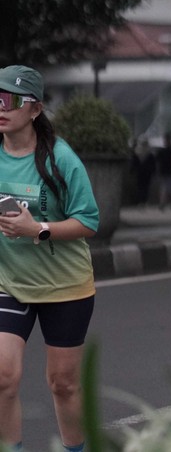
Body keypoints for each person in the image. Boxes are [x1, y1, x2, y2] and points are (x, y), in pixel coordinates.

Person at [0, 65, 99, 451]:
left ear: (35, 109)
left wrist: (37, 228)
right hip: (10, 282)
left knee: (63, 384)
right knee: (3, 377)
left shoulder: (61, 158)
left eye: (10, 100)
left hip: (65, 286)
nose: (1, 107)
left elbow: (89, 221)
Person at [156, 132, 171, 210]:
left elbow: (158, 162)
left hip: (165, 171)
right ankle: (170, 203)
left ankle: (164, 203)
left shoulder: (162, 151)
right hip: (168, 171)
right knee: (169, 188)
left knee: (165, 188)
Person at [132, 135, 156, 206]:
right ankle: (144, 201)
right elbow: (153, 164)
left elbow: (134, 163)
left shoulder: (137, 152)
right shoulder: (149, 153)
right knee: (145, 187)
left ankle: (141, 201)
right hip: (147, 173)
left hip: (140, 173)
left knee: (141, 187)